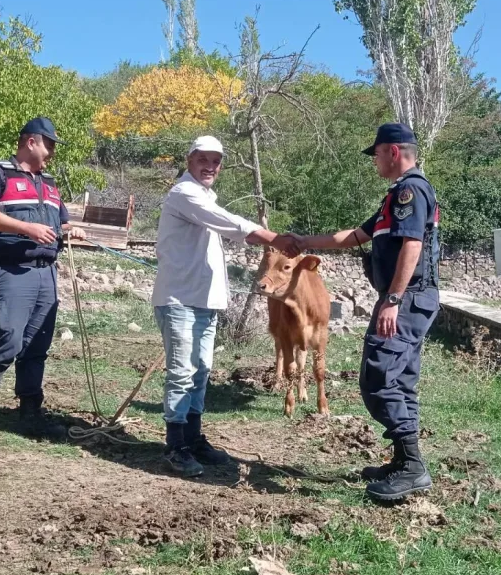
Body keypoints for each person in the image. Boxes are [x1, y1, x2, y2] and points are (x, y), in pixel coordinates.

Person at [289, 122, 440, 501]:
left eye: (376, 154)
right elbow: (354, 237)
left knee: (378, 379)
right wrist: (303, 242)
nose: (374, 162)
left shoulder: (410, 190)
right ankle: (404, 460)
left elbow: (412, 246)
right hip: (410, 299)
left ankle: (412, 467)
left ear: (393, 151)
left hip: (404, 300)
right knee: (401, 380)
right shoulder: (395, 197)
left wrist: (392, 300)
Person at [152, 135, 300, 477]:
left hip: (203, 301)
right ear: (189, 161)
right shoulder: (184, 194)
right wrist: (276, 239)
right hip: (180, 299)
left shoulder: (204, 196)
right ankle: (176, 446)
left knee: (200, 371)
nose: (210, 167)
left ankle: (193, 438)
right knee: (182, 373)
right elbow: (232, 224)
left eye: (216, 161)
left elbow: (226, 223)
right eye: (203, 159)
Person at [0, 117, 87, 438]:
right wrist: (26, 228)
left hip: (46, 272)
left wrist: (72, 231)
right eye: (50, 144)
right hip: (9, 268)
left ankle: (30, 409)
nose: (53, 152)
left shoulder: (49, 183)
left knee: (36, 344)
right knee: (9, 338)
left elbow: (60, 224)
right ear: (31, 142)